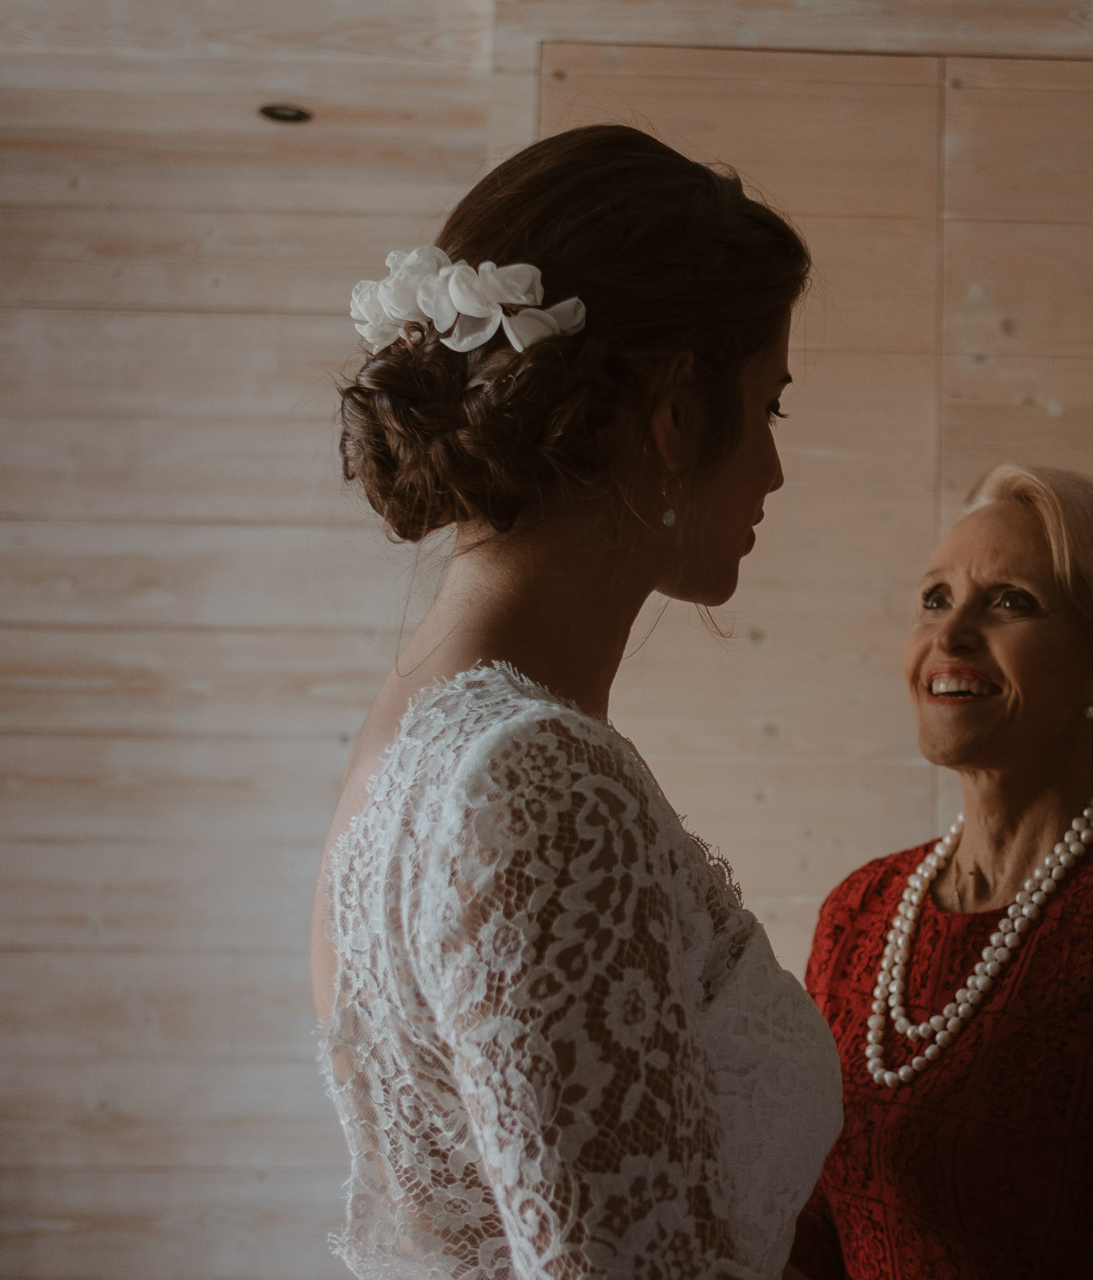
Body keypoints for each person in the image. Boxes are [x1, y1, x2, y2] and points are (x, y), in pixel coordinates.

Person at [310, 124, 843, 1280]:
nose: (772, 472)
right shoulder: (533, 779)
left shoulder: (420, 741)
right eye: (768, 410)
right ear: (670, 417)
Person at [790, 465, 1093, 1280]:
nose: (949, 636)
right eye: (935, 599)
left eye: (1011, 601)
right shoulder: (859, 910)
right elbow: (811, 1228)